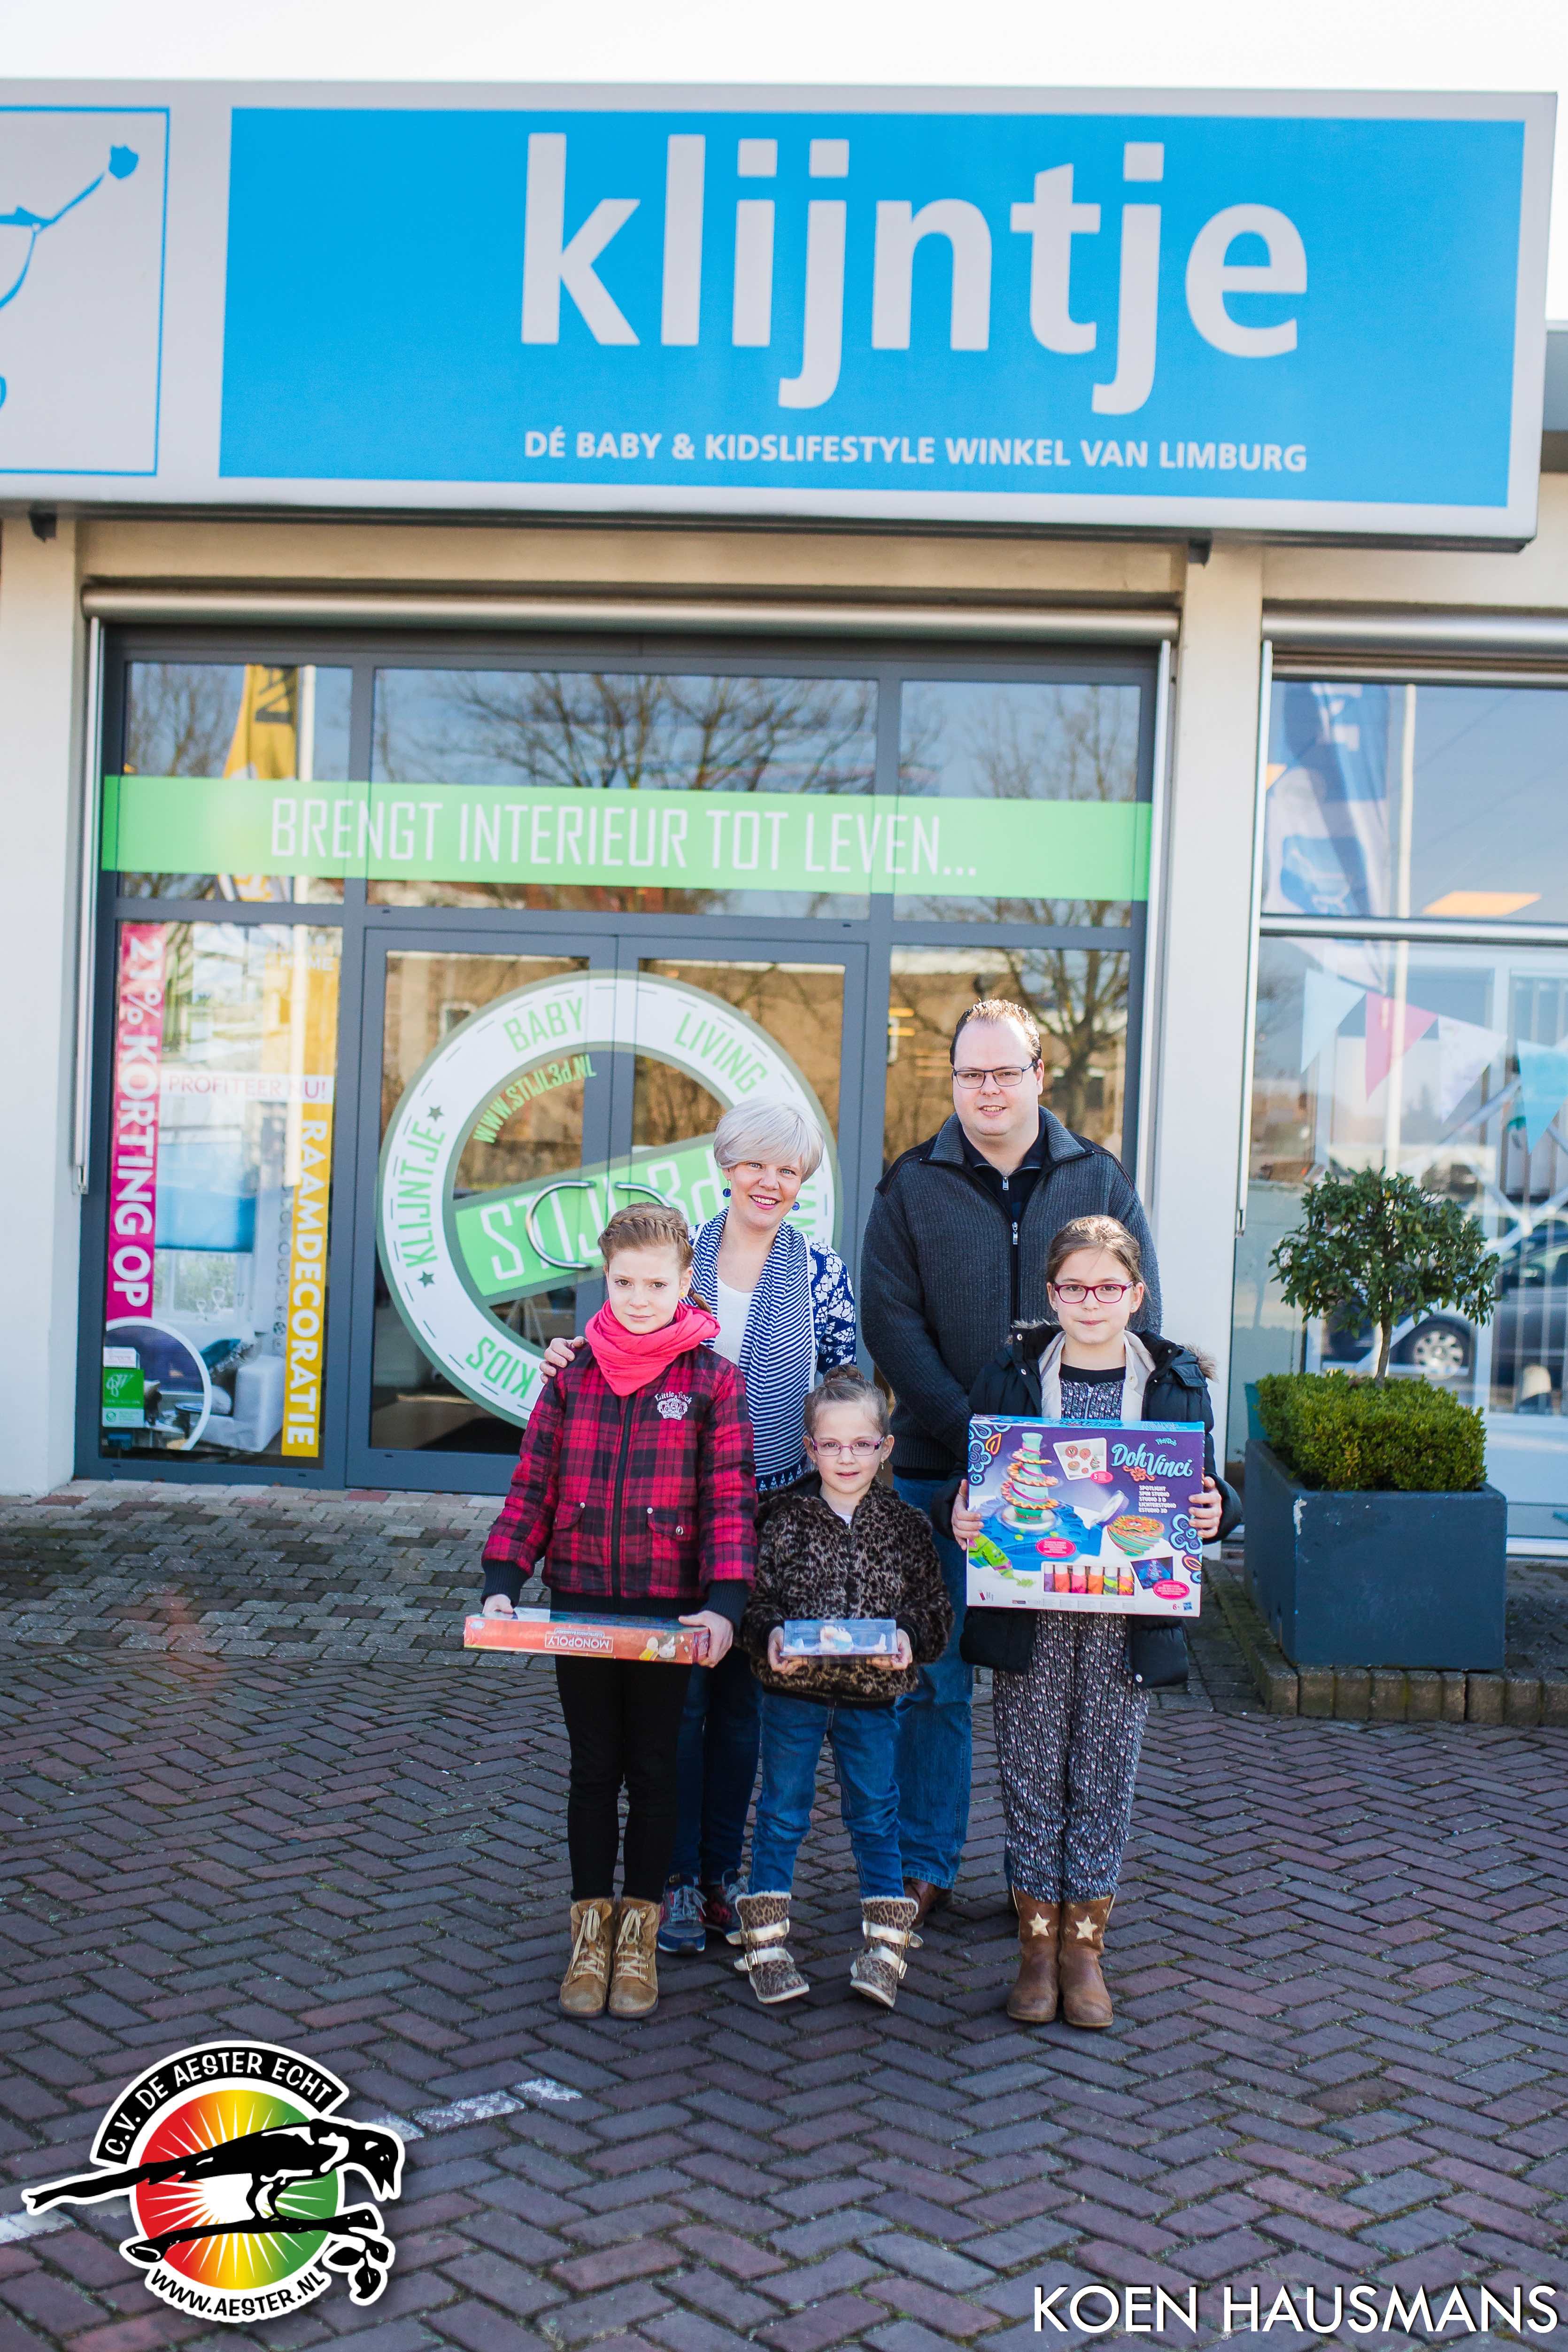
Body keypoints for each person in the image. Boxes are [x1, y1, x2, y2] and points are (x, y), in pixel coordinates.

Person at [860, 997, 1162, 1927]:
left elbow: (1138, 1318)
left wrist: (1048, 1456)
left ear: (1039, 1074)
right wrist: (984, 1445)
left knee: (1060, 1693)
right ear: (952, 1080)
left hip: (1074, 1488)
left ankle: (1052, 1889)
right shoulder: (911, 1184)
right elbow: (890, 1324)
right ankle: (925, 1863)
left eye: (1004, 1071)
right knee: (936, 1679)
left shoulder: (1097, 1177)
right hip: (939, 1472)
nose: (986, 1089)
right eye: (969, 1073)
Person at [539, 1102, 857, 1957]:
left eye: (788, 1170)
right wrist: (569, 1353)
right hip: (677, 1513)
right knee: (679, 1710)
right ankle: (673, 1880)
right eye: (756, 1164)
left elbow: (841, 1389)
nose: (770, 1182)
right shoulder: (680, 1260)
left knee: (744, 1710)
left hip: (779, 1511)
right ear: (727, 1166)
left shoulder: (821, 1274)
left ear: (803, 1181)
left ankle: (720, 1874)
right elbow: (623, 1338)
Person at [948, 1215, 1238, 2029]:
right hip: (1032, 1612)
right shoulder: (1010, 1374)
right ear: (1051, 1294)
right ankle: (1036, 1947)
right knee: (1032, 1771)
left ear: (1136, 1295)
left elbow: (1205, 1489)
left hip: (1125, 1617)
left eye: (1108, 1287)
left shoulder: (1175, 1380)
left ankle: (1084, 1950)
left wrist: (1220, 1509)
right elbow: (976, 1486)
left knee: (1106, 1774)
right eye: (1074, 1287)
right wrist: (958, 1514)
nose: (1090, 1302)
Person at [479, 1203, 755, 2023]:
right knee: (594, 1768)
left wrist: (725, 1604)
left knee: (658, 1768)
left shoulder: (712, 1379)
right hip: (582, 1602)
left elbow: (729, 1501)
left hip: (669, 1614)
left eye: (657, 1284)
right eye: (624, 1282)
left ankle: (640, 1935)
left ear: (686, 1283)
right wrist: (504, 1575)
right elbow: (533, 1484)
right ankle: (590, 1933)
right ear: (605, 1279)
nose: (639, 1299)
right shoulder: (571, 1375)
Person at [735, 1369, 952, 2010]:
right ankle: (766, 1943)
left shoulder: (907, 1527)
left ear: (886, 1448)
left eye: (861, 1444)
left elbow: (934, 1610)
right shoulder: (782, 1520)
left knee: (876, 1814)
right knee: (782, 1812)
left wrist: (910, 1638)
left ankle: (885, 1945)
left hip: (872, 1700)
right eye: (831, 1445)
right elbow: (754, 1602)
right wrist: (770, 1634)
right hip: (793, 1696)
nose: (847, 1457)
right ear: (810, 1448)